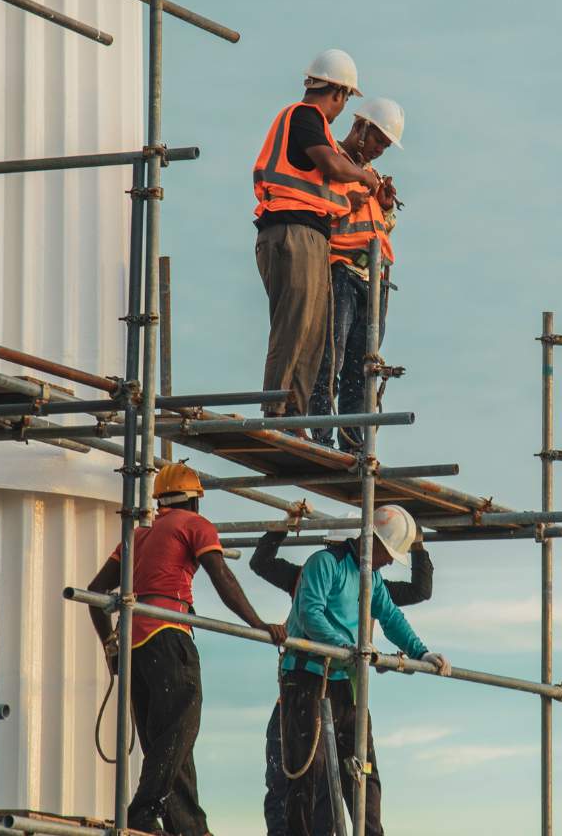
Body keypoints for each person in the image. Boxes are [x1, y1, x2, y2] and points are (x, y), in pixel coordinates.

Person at [87, 461, 288, 836]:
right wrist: (258, 623)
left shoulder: (138, 536)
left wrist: (111, 647)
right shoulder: (194, 525)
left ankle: (189, 827)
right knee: (181, 728)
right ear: (194, 501)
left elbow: (95, 595)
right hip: (168, 632)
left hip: (134, 644)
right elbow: (222, 576)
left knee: (166, 740)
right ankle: (142, 812)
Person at [252, 518, 434, 835]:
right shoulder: (325, 564)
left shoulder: (372, 578)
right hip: (309, 678)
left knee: (363, 770)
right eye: (389, 551)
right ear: (371, 539)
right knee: (309, 772)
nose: (391, 560)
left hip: (345, 683)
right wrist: (345, 647)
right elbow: (310, 613)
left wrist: (421, 653)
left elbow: (391, 615)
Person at [253, 50, 382, 425]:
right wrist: (363, 177)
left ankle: (295, 415)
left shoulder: (313, 128)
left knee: (312, 334)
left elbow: (320, 184)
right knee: (294, 326)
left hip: (307, 233)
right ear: (339, 93)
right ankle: (277, 411)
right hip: (291, 232)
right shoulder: (305, 116)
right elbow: (329, 164)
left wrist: (354, 197)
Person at [308, 98, 405, 453]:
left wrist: (386, 205)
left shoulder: (369, 175)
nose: (380, 149)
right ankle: (320, 434)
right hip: (341, 271)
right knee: (329, 356)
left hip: (373, 278)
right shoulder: (332, 160)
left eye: (385, 144)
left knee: (360, 368)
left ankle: (352, 443)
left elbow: (381, 228)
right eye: (378, 139)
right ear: (361, 127)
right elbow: (324, 210)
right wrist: (359, 196)